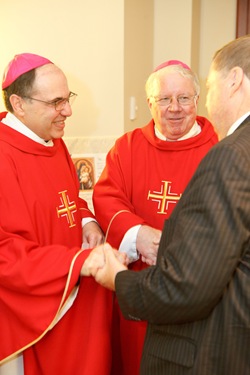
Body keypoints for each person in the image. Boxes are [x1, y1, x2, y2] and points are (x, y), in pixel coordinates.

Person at [86, 34, 250, 374]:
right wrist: (137, 235)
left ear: (198, 99)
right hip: (143, 277)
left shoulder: (222, 146)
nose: (174, 108)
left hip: (195, 298)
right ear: (149, 103)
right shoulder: (128, 147)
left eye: (184, 98)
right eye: (164, 99)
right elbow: (106, 196)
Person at [0, 53, 126, 375]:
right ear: (19, 103)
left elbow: (70, 200)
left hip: (72, 295)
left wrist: (88, 222)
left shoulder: (51, 141)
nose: (67, 111)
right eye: (56, 102)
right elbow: (6, 254)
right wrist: (80, 262)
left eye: (67, 98)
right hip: (32, 315)